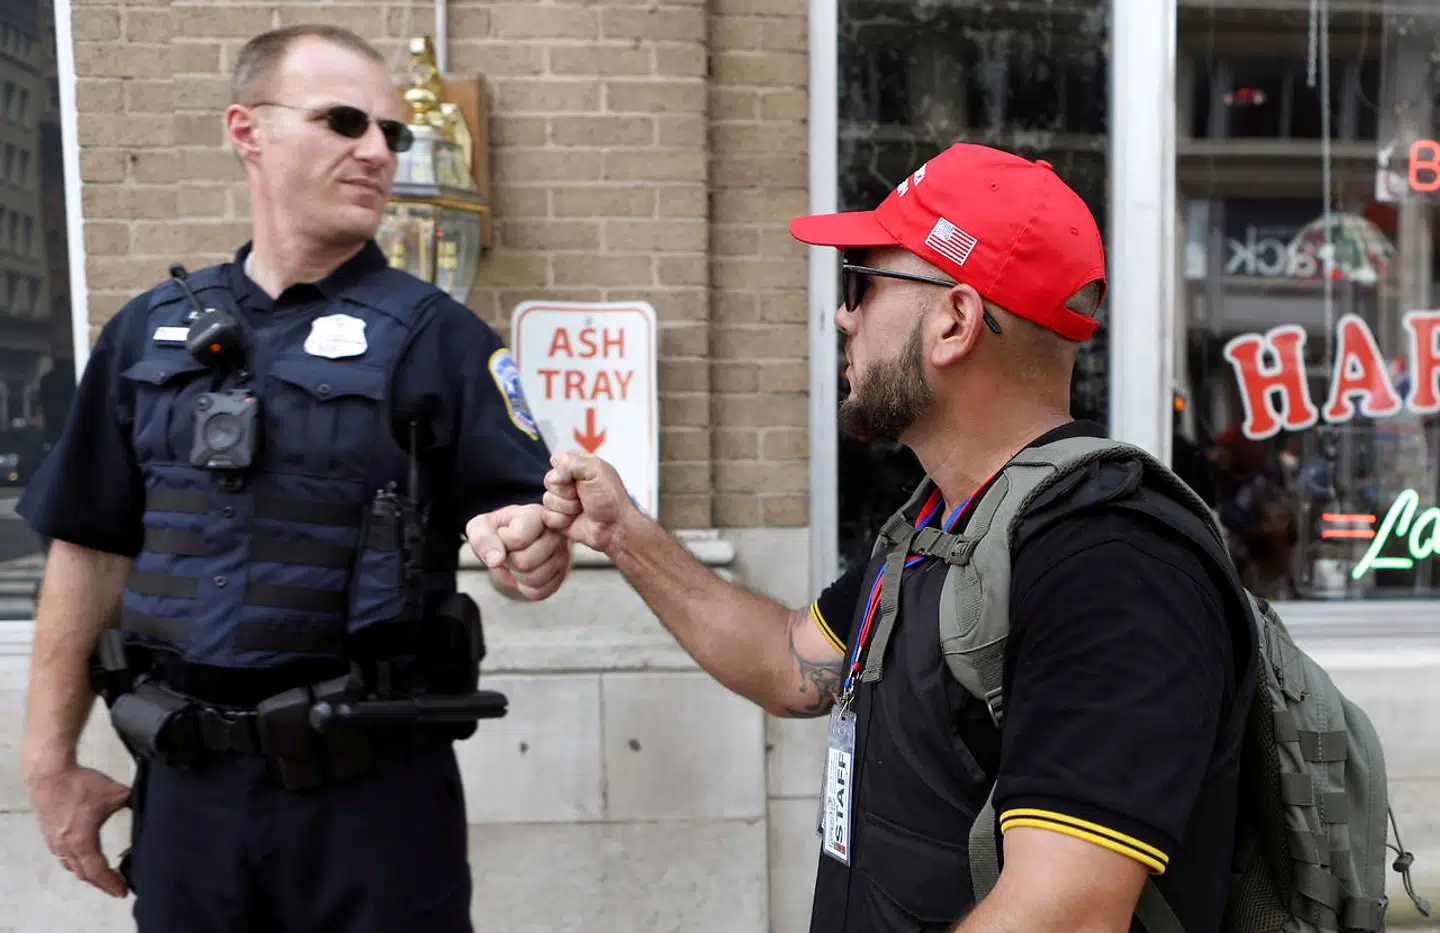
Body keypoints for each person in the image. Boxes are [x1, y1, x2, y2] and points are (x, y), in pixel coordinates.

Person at [531, 144, 1256, 933]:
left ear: (955, 320)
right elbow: (786, 660)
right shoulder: (940, 527)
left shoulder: (1113, 562)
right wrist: (622, 531)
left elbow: (1065, 916)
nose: (843, 313)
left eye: (862, 281)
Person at [17, 25, 569, 933]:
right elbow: (89, 545)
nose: (375, 151)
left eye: (392, 133)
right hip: (186, 792)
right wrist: (48, 760)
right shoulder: (144, 335)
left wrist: (527, 546)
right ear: (248, 131)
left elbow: (522, 514)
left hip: (371, 804)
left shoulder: (443, 340)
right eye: (344, 121)